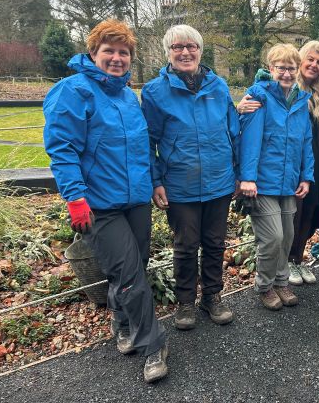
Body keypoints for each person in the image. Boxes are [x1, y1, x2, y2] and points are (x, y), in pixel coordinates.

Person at [43, 20, 168, 383]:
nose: (116, 58)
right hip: (99, 204)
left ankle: (122, 320)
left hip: (136, 200)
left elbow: (144, 147)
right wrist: (75, 198)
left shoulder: (128, 96)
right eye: (109, 51)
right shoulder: (73, 91)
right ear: (93, 53)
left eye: (123, 52)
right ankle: (153, 345)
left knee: (132, 269)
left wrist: (154, 183)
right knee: (129, 274)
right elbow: (62, 148)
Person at [141, 25, 239, 331]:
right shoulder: (155, 92)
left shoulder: (219, 86)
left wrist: (238, 173)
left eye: (191, 46)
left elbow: (234, 131)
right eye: (177, 47)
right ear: (168, 53)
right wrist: (156, 180)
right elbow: (148, 141)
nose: (185, 52)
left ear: (200, 50)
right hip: (180, 185)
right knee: (185, 245)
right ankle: (185, 302)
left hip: (220, 181)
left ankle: (212, 296)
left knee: (214, 243)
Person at [238, 41, 319, 285]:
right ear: (271, 67)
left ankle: (281, 282)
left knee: (288, 236)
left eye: (291, 68)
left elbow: (306, 144)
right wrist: (247, 178)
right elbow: (250, 140)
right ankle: (264, 285)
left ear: (297, 69)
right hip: (264, 182)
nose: (286, 74)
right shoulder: (259, 97)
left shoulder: (301, 101)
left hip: (289, 182)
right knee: (273, 238)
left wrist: (306, 177)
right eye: (281, 68)